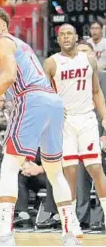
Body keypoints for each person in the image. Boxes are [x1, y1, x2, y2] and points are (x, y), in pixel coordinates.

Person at [0, 7, 79, 246]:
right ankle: (70, 235)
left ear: (3, 25)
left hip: (31, 99)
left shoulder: (1, 43)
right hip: (52, 102)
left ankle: (5, 235)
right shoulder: (20, 44)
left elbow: (8, 78)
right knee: (55, 172)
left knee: (9, 165)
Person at [44, 24, 106, 233]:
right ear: (58, 39)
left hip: (87, 119)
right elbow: (44, 94)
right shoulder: (51, 63)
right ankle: (71, 222)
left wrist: (105, 118)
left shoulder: (89, 60)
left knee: (95, 168)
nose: (66, 37)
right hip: (66, 122)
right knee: (69, 172)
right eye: (61, 34)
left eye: (69, 33)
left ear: (77, 37)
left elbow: (97, 92)